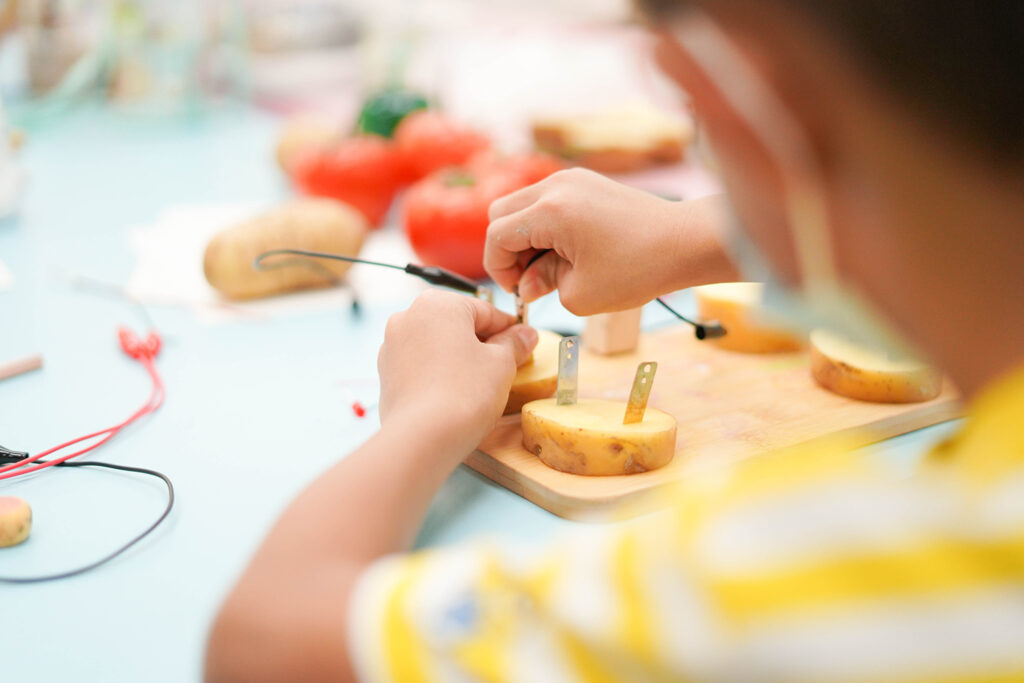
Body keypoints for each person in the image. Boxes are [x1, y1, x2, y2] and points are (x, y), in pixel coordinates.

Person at [205, 0, 1024, 681]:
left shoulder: (779, 582)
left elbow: (260, 644)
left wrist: (423, 418)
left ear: (730, 99)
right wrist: (703, 231)